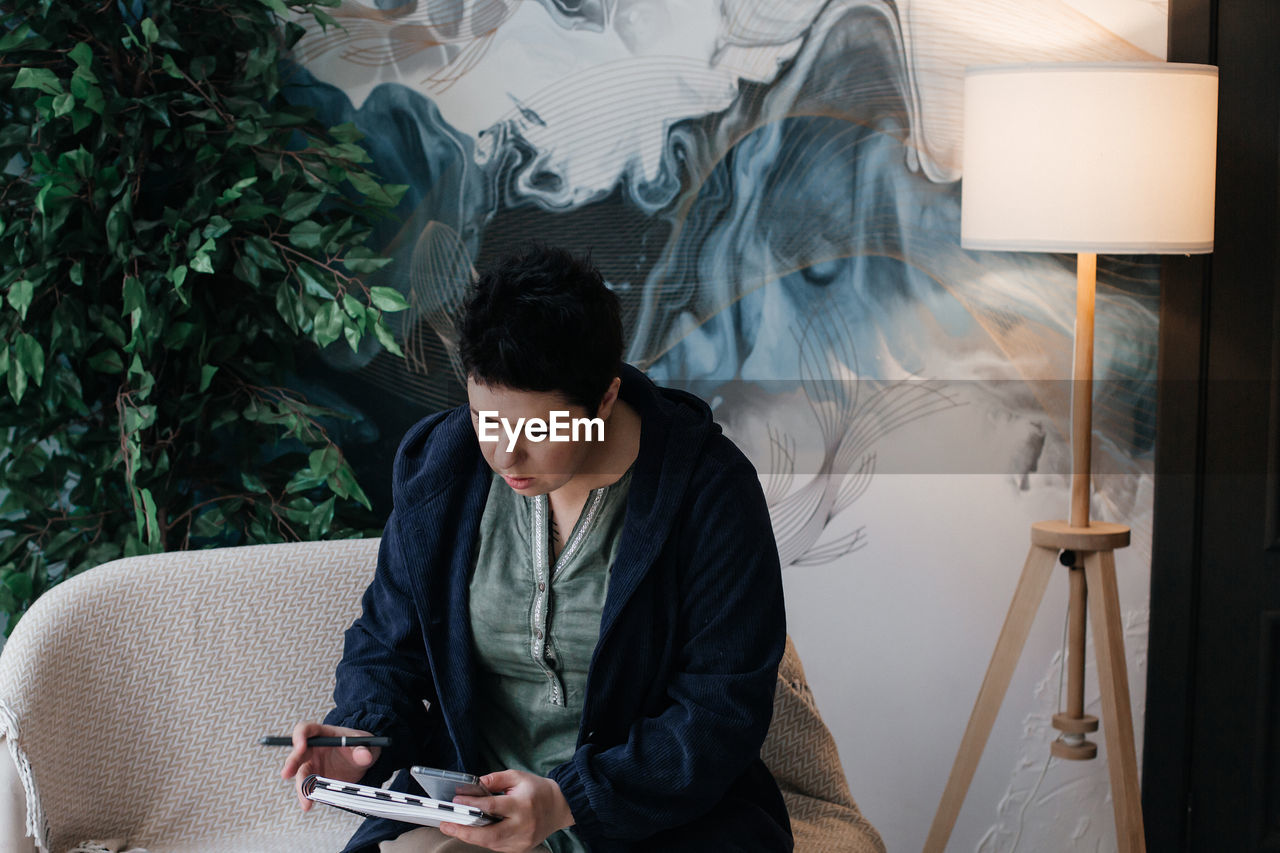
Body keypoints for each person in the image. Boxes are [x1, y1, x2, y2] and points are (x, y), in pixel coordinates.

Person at [282, 245, 792, 852]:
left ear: (604, 398)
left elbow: (720, 711)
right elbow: (388, 644)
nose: (504, 455)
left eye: (539, 430)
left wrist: (568, 800)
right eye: (486, 420)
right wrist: (359, 734)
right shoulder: (439, 467)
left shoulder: (711, 493)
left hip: (648, 822)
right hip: (474, 810)